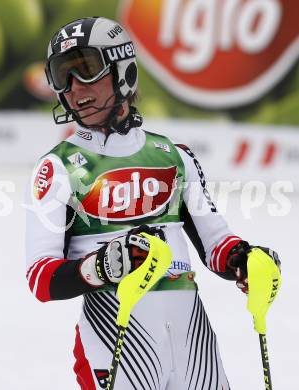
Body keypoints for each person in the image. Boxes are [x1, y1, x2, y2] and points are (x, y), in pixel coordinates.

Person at [25, 16, 281, 389]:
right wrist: (100, 267)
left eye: (87, 69)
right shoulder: (58, 167)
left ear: (122, 68)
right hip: (112, 342)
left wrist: (245, 260)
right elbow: (40, 277)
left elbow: (217, 245)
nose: (75, 88)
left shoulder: (174, 156)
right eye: (62, 75)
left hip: (193, 343)